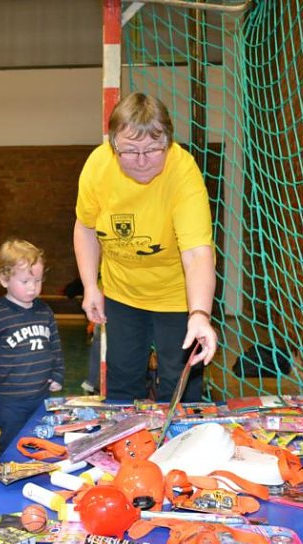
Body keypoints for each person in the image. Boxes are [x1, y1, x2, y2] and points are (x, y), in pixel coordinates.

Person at [73, 92, 218, 403]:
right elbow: (85, 227)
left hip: (177, 296)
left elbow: (196, 253)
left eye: (153, 150)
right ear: (113, 145)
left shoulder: (183, 172)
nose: (141, 161)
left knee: (180, 388)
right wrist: (89, 285)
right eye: (129, 150)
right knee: (123, 384)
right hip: (122, 292)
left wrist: (200, 314)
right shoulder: (98, 167)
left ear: (168, 142)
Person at [0, 239, 65, 454]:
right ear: (4, 279)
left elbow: (54, 345)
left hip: (41, 395)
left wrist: (58, 373)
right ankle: (6, 473)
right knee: (12, 443)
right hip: (11, 400)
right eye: (25, 281)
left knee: (38, 439)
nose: (32, 287)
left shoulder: (45, 311)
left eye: (37, 281)